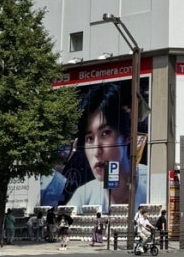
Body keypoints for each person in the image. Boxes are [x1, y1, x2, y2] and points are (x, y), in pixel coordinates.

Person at [40, 81, 147, 212]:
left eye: (105, 133)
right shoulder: (83, 195)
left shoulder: (150, 184)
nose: (96, 151)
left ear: (127, 135)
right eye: (89, 138)